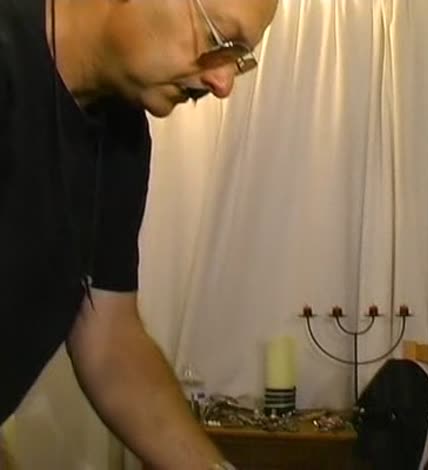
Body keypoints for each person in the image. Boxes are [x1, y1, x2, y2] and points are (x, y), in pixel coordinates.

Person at [0, 0, 278, 468]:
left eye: (238, 59)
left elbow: (110, 340)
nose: (223, 83)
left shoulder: (123, 136)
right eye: (219, 40)